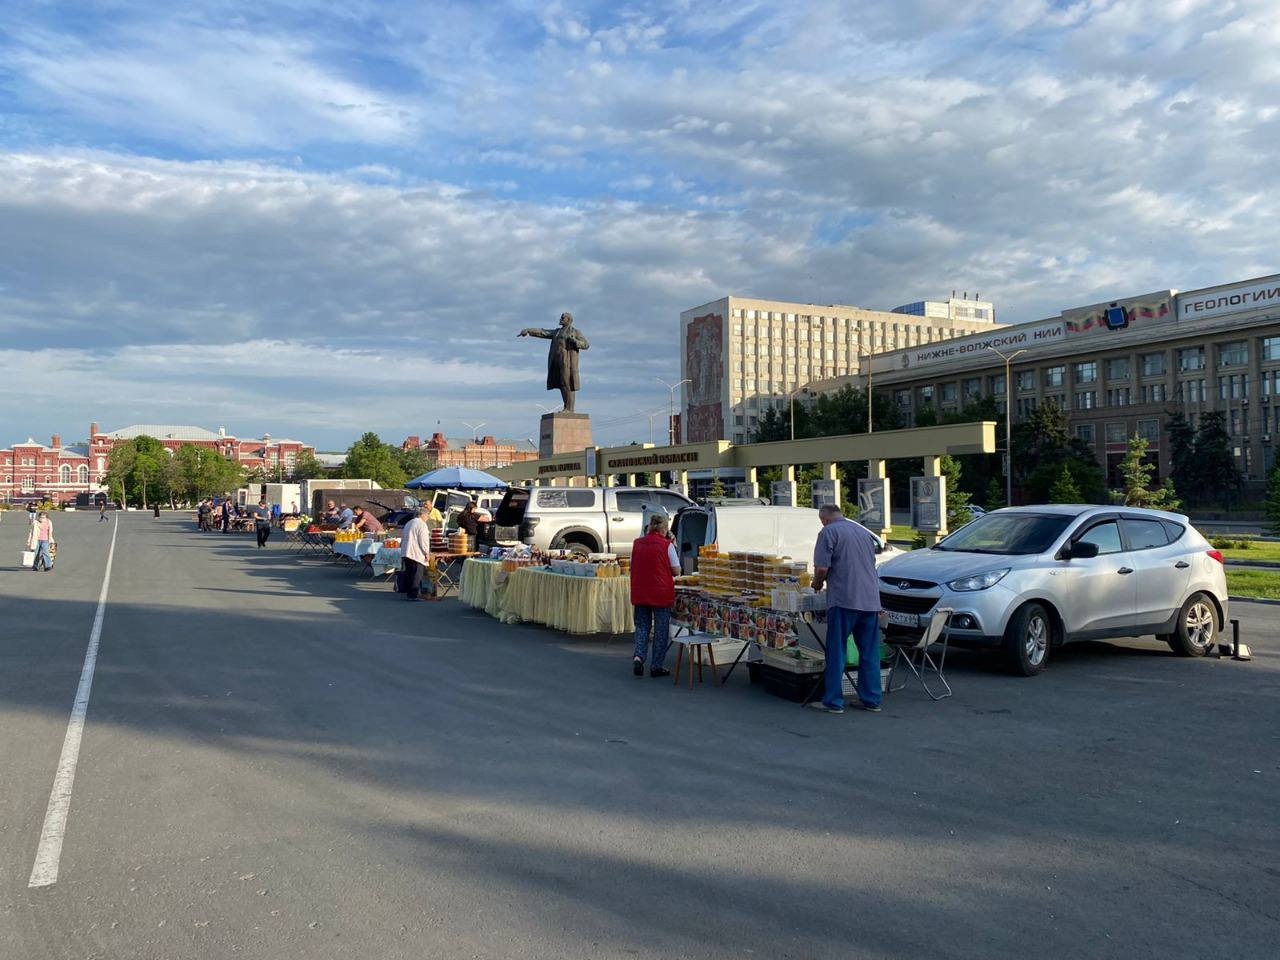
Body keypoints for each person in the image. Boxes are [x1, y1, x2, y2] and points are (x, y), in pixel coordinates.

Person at [810, 504, 883, 715]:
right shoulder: (861, 531)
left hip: (844, 599)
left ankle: (833, 701)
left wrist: (816, 585)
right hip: (870, 600)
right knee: (869, 652)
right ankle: (872, 699)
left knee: (836, 650)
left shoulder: (828, 532)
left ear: (824, 519)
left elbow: (822, 568)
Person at [630, 513, 681, 678]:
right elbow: (676, 571)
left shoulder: (637, 544)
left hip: (640, 590)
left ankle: (638, 656)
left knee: (642, 626)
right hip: (661, 593)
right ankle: (656, 666)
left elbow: (633, 566)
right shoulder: (667, 545)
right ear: (665, 529)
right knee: (661, 630)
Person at [399, 505, 437, 601]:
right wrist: (426, 553)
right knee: (417, 574)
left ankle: (409, 593)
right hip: (416, 553)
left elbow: (403, 537)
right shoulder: (421, 524)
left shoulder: (409, 523)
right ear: (423, 515)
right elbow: (424, 541)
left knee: (409, 572)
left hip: (406, 551)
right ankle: (413, 594)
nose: (428, 518)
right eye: (427, 516)